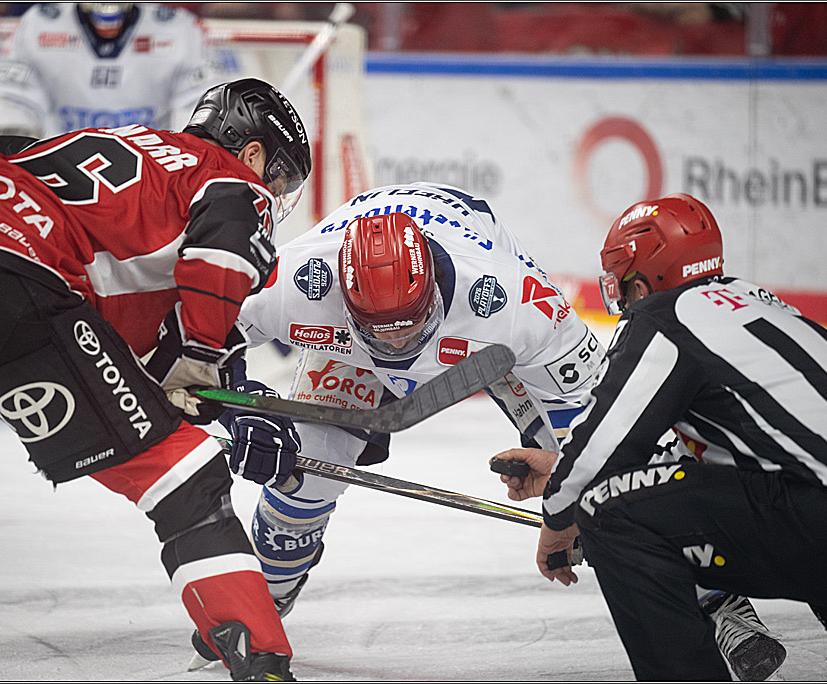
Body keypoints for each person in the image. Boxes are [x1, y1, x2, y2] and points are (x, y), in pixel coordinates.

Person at [0, 77, 311, 682]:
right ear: (251, 153)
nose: (274, 194)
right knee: (184, 476)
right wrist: (202, 360)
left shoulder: (105, 143)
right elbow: (220, 256)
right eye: (279, 178)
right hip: (1, 288)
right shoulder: (224, 175)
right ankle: (265, 662)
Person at [187, 182, 609, 668]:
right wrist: (245, 409)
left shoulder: (514, 301)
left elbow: (593, 404)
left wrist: (572, 498)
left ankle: (705, 585)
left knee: (594, 480)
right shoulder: (298, 281)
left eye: (411, 327)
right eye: (381, 335)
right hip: (347, 348)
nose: (397, 349)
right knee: (307, 477)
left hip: (473, 331)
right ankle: (271, 590)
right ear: (342, 302)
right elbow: (202, 338)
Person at [496, 193, 827, 680]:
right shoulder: (758, 304)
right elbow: (750, 460)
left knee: (608, 511)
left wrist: (561, 513)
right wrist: (560, 470)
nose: (620, 299)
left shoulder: (666, 320)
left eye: (621, 284)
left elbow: (600, 457)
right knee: (807, 475)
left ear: (644, 282)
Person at [0, 3, 213, 137]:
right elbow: (6, 106)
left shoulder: (178, 30)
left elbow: (203, 115)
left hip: (153, 179)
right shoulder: (40, 24)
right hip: (60, 177)